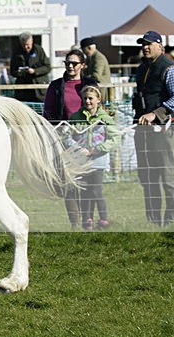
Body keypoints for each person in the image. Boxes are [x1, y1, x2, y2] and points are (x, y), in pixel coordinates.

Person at [132, 30, 174, 227]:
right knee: (148, 178)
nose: (145, 47)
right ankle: (153, 223)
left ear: (160, 46)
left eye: (149, 43)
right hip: (144, 130)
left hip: (167, 129)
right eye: (143, 44)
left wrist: (155, 114)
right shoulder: (141, 69)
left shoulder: (170, 69)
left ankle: (172, 224)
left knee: (168, 177)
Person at [43, 50, 97, 229]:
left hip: (87, 137)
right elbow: (48, 112)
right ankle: (75, 223)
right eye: (68, 63)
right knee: (70, 183)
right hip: (64, 138)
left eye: (74, 63)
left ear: (82, 65)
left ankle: (88, 221)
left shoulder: (89, 84)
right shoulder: (57, 86)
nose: (71, 66)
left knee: (89, 183)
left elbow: (98, 107)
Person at [66, 86, 121, 231]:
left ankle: (103, 219)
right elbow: (67, 136)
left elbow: (115, 138)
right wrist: (79, 149)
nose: (88, 101)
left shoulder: (105, 119)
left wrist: (96, 150)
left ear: (98, 99)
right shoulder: (76, 117)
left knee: (96, 191)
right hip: (81, 162)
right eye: (85, 98)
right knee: (84, 191)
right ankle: (87, 220)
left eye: (91, 98)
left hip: (98, 162)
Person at [9, 32, 51, 102]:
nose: (26, 47)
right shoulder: (16, 52)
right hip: (23, 91)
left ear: (32, 41)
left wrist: (35, 71)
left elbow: (47, 67)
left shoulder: (39, 50)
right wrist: (19, 72)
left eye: (27, 45)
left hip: (39, 90)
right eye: (23, 45)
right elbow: (12, 71)